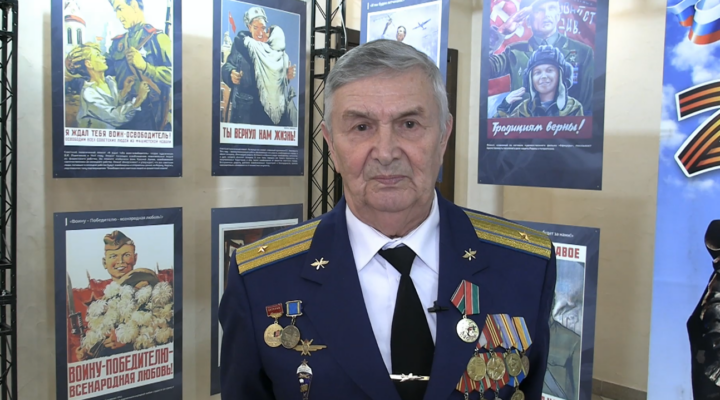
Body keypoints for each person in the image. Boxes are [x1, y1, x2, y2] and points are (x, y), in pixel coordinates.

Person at [219, 39, 556, 400]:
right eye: (361, 127)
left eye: (409, 124)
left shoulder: (525, 266)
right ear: (331, 144)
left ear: (443, 136)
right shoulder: (261, 280)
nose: (385, 152)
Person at [73, 230, 170, 361]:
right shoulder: (104, 302)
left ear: (135, 258)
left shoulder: (148, 288)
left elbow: (162, 333)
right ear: (104, 262)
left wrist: (127, 341)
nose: (120, 261)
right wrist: (89, 352)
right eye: (113, 256)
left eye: (126, 255)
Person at [489, 0, 594, 115]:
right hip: (522, 124)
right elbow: (484, 70)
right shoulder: (515, 52)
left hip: (568, 125)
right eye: (539, 10)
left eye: (552, 8)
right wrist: (502, 31)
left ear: (558, 16)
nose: (547, 14)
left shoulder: (583, 52)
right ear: (528, 21)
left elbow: (587, 105)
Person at [222, 7, 298, 127]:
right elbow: (227, 65)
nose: (260, 32)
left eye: (263, 28)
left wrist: (286, 76)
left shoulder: (274, 50)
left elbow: (276, 81)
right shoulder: (241, 46)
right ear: (249, 27)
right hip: (247, 113)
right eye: (255, 28)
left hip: (268, 117)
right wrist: (230, 73)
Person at [106, 0, 173, 131]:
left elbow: (175, 76)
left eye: (120, 9)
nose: (118, 16)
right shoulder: (117, 44)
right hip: (123, 113)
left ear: (134, 5)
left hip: (150, 115)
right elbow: (103, 71)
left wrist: (146, 67)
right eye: (116, 11)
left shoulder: (157, 39)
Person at [65, 43, 150, 129]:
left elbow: (112, 103)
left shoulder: (110, 81)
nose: (103, 58)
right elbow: (117, 117)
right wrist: (139, 99)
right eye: (98, 55)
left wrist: (124, 91)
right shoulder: (89, 93)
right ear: (88, 64)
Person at [495, 45, 583, 118]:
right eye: (537, 72)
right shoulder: (523, 109)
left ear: (561, 75)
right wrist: (504, 106)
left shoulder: (573, 108)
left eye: (549, 70)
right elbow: (500, 130)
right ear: (529, 79)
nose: (543, 76)